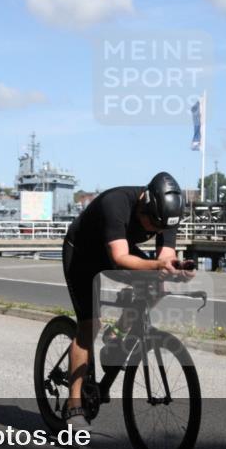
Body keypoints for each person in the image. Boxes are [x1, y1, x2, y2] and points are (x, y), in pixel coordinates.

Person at [61, 171, 189, 424]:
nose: (156, 230)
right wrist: (156, 267)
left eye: (162, 227)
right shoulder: (116, 203)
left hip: (118, 251)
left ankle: (117, 333)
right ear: (144, 203)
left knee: (159, 285)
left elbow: (164, 259)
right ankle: (74, 404)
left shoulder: (166, 214)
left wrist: (176, 269)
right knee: (89, 325)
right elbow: (119, 258)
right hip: (83, 256)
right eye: (153, 224)